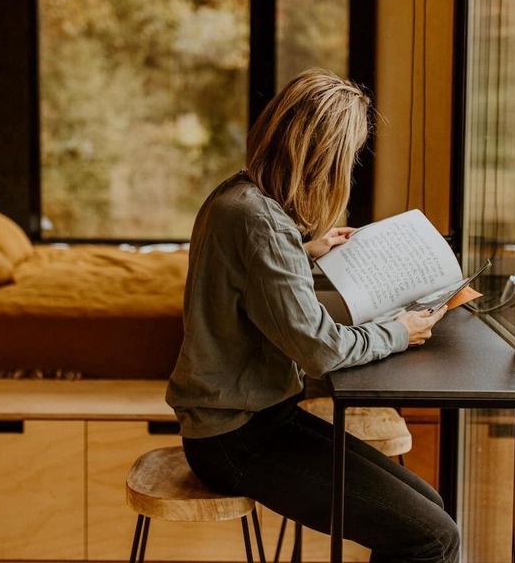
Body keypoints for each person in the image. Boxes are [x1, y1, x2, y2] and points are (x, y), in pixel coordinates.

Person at [166, 69, 461, 563]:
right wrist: (397, 332)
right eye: (348, 157)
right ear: (324, 158)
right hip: (237, 438)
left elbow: (248, 285)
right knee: (431, 538)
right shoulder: (258, 220)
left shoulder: (239, 197)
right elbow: (319, 349)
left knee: (430, 514)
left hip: (258, 420)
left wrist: (303, 250)